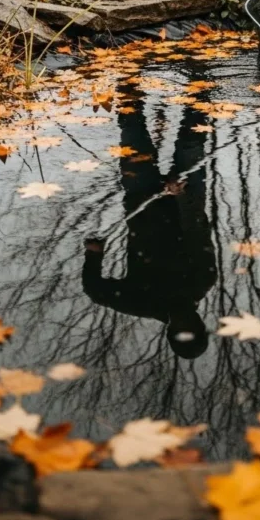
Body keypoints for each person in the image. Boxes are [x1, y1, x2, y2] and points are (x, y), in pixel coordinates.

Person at [82, 88, 216, 360]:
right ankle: (200, 79)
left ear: (171, 330)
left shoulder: (141, 303)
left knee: (132, 131)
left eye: (181, 329)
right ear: (200, 323)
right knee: (192, 139)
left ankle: (127, 81)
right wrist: (180, 195)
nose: (185, 323)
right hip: (186, 195)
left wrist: (94, 256)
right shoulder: (203, 280)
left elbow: (96, 292)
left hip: (141, 198)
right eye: (193, 326)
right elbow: (197, 228)